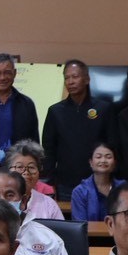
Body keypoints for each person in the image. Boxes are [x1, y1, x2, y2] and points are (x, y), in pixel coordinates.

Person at [41, 60, 110, 200]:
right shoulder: (55, 111)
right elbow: (48, 150)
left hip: (98, 181)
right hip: (65, 183)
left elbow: (112, 145)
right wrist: (50, 180)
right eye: (67, 78)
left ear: (87, 79)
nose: (70, 81)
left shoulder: (103, 109)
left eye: (75, 76)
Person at [6, 141, 64, 221]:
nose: (26, 172)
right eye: (19, 167)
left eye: (31, 167)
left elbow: (59, 228)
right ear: (8, 171)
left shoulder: (49, 204)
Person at [70, 141, 124, 222]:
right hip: (89, 231)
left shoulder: (123, 188)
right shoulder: (80, 192)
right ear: (91, 162)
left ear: (114, 163)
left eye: (108, 157)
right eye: (98, 157)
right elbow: (80, 224)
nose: (103, 160)